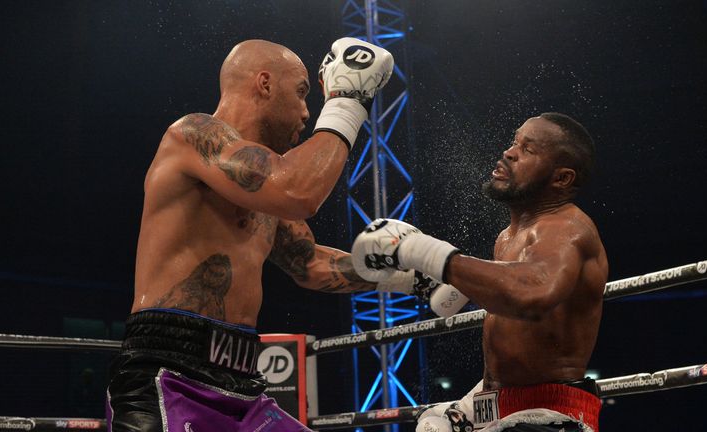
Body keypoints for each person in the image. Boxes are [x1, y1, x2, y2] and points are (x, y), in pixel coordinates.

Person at [105, 38, 406, 431]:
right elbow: (299, 191)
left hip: (243, 385)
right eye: (301, 93)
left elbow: (309, 263)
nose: (305, 112)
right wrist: (347, 102)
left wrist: (406, 269)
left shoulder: (264, 190)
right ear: (264, 84)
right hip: (168, 375)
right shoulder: (193, 135)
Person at [351, 113, 609, 431]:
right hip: (500, 405)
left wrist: (424, 252)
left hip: (551, 413)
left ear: (562, 179)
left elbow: (532, 293)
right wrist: (425, 280)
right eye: (515, 141)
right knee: (433, 424)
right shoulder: (507, 237)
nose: (509, 153)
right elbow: (511, 307)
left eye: (528, 150)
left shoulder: (568, 227)